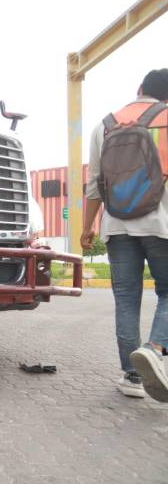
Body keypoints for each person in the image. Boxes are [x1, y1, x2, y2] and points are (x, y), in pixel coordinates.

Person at [82, 68, 168, 401]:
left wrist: (88, 226)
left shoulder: (105, 124)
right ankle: (156, 347)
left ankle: (132, 377)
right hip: (161, 224)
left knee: (127, 298)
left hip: (116, 226)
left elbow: (93, 185)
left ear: (139, 89)